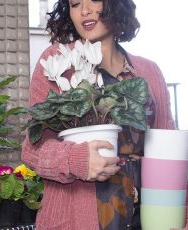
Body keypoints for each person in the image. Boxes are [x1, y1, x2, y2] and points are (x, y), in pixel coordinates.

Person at [21, 0, 176, 229]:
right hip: (75, 219)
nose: (84, 10)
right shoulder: (58, 63)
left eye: (94, 0)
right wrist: (77, 160)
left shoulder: (149, 72)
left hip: (146, 219)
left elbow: (171, 155)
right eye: (75, 4)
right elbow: (32, 150)